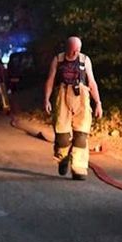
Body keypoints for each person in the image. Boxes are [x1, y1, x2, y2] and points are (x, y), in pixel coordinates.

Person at [44, 36, 103, 180]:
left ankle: (79, 168)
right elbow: (50, 79)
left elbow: (92, 82)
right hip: (62, 96)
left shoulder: (85, 60)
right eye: (73, 49)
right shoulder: (58, 59)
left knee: (81, 135)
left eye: (78, 50)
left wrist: (98, 103)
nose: (75, 52)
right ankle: (63, 158)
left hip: (81, 97)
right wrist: (46, 99)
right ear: (67, 47)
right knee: (62, 136)